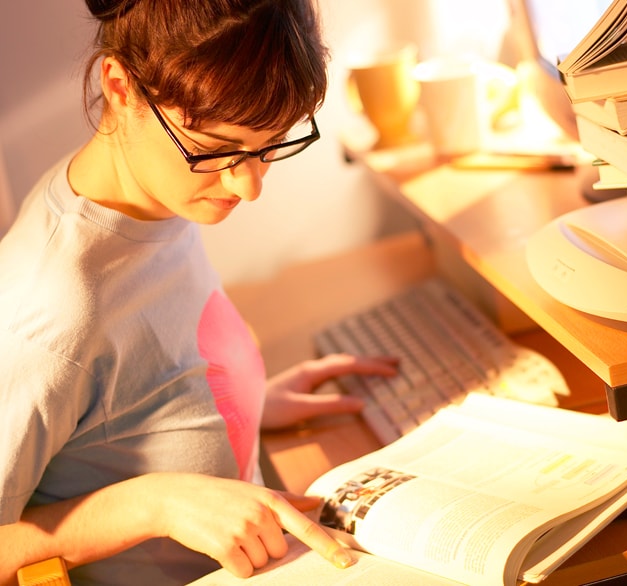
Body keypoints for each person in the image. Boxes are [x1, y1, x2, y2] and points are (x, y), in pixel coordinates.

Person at [0, 1, 400, 584]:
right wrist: (152, 503)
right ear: (120, 87)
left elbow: (134, 375)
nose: (249, 185)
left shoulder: (150, 198)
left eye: (270, 145)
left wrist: (233, 402)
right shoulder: (50, 309)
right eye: (217, 149)